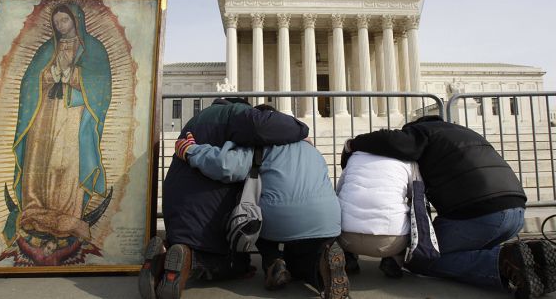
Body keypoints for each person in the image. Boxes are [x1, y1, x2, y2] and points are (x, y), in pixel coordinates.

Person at [343, 115, 556, 298]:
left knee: (420, 258)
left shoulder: (423, 133)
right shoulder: (464, 132)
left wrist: (354, 144)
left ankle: (503, 262)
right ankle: (534, 260)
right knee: (460, 247)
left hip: (481, 214)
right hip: (516, 211)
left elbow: (395, 141)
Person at [138, 98, 309, 299]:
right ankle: (189, 261)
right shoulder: (238, 115)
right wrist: (301, 130)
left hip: (177, 211)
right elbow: (231, 163)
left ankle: (164, 253)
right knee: (236, 264)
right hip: (207, 216)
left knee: (187, 241)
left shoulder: (197, 121)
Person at [177, 104, 349, 299]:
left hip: (279, 219)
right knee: (306, 256)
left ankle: (273, 261)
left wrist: (191, 150)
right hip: (328, 219)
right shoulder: (310, 147)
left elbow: (226, 166)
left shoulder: (259, 144)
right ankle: (321, 263)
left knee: (253, 216)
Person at [2, 3, 112, 264]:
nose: (61, 26)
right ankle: (36, 210)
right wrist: (48, 75)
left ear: (76, 20)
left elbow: (101, 85)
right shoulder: (46, 49)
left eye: (65, 20)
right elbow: (30, 80)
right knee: (41, 159)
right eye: (57, 21)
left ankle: (67, 213)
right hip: (44, 115)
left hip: (73, 114)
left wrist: (74, 75)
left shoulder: (93, 49)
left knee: (67, 162)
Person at [337, 150, 413, 278]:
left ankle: (349, 257)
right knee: (409, 213)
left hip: (346, 238)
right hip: (390, 242)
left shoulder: (354, 158)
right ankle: (393, 261)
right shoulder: (406, 161)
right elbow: (414, 195)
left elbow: (338, 190)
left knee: (344, 207)